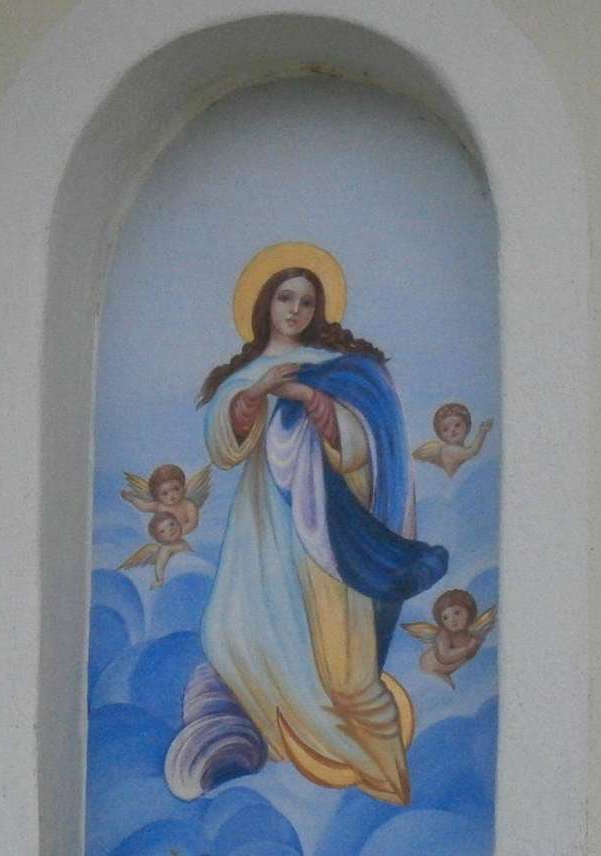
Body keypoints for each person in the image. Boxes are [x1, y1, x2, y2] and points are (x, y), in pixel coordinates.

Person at [185, 242, 448, 805]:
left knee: (346, 674)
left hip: (327, 536)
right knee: (234, 636)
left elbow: (362, 446)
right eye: (285, 297)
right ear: (265, 303)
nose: (295, 310)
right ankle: (296, 776)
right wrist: (257, 394)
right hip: (262, 537)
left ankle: (388, 783)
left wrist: (310, 398)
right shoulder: (246, 376)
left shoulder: (338, 371)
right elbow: (223, 448)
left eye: (306, 301)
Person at [402, 588, 497, 688]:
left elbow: (470, 655)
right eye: (445, 617)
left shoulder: (471, 634)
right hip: (430, 669)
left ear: (469, 611)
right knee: (441, 686)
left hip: (447, 671)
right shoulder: (443, 635)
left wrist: (473, 647)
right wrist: (467, 649)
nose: (452, 620)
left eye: (457, 613)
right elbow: (444, 657)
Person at [412, 402, 493, 478]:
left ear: (467, 427)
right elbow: (472, 451)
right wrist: (482, 431)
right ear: (441, 436)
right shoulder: (449, 449)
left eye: (457, 425)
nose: (452, 430)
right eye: (446, 429)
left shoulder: (459, 448)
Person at [118, 510, 191, 588]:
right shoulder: (167, 548)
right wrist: (160, 580)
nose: (170, 529)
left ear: (178, 523)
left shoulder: (181, 542)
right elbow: (160, 564)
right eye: (163, 531)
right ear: (159, 539)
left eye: (171, 524)